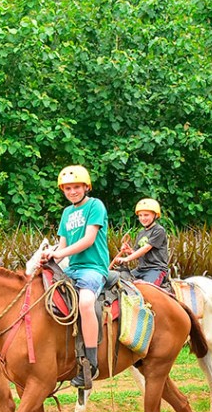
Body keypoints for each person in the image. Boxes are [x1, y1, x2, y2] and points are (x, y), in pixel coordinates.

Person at [44, 165, 109, 388]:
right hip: (71, 268)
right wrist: (50, 256)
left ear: (86, 187)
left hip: (93, 268)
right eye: (68, 188)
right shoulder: (66, 213)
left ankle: (91, 362)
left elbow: (88, 240)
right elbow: (62, 244)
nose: (72, 191)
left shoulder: (95, 205)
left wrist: (60, 252)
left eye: (77, 187)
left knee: (86, 302)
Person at [114, 198, 170, 287]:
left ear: (155, 215)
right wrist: (129, 251)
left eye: (146, 215)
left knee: (147, 289)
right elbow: (138, 253)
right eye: (140, 215)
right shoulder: (141, 233)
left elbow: (146, 248)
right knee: (118, 282)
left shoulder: (159, 230)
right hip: (141, 269)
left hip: (156, 269)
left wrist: (127, 259)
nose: (142, 218)